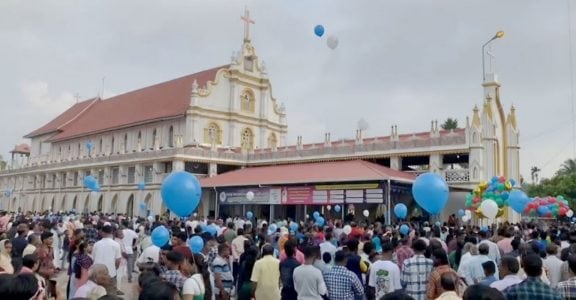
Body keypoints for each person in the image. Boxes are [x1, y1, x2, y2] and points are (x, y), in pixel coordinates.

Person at [92, 225, 122, 296]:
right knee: (111, 294)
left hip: (97, 274)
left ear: (102, 232)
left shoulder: (96, 244)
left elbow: (93, 259)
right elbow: (118, 260)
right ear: (111, 232)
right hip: (111, 273)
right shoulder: (116, 244)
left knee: (97, 295)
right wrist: (115, 268)